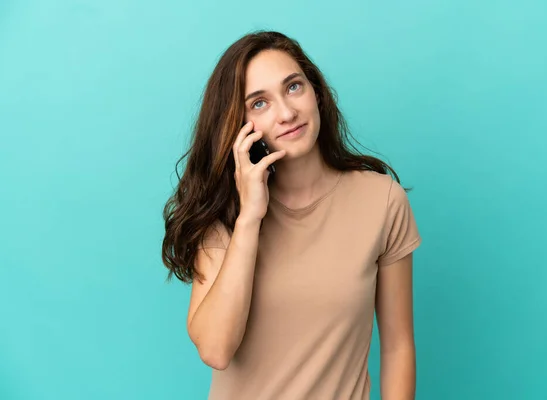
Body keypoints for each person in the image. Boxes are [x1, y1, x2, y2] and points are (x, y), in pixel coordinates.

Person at [162, 30, 422, 400]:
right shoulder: (225, 213)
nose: (286, 113)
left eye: (294, 87)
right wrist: (250, 217)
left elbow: (398, 347)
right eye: (259, 103)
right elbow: (216, 350)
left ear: (316, 91)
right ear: (239, 125)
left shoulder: (382, 201)